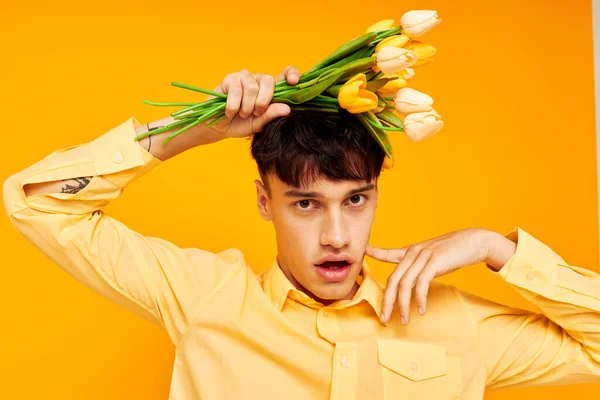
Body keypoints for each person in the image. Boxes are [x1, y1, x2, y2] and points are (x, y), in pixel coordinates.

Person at [3, 65, 600, 400]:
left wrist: (499, 249)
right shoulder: (202, 296)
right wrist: (195, 129)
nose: (338, 235)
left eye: (356, 200)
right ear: (266, 201)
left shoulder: (449, 321)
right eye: (307, 204)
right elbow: (37, 204)